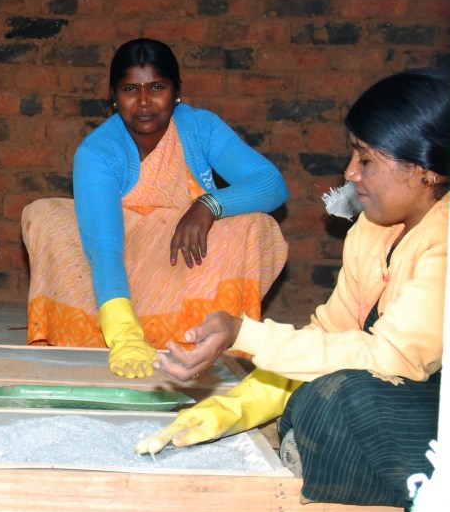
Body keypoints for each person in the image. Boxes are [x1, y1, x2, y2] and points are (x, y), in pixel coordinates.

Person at [137, 67, 450, 509]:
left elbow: (395, 358)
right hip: (394, 399)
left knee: (342, 396)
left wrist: (245, 333)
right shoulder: (372, 229)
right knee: (313, 394)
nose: (350, 172)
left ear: (425, 171)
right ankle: (331, 460)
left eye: (366, 159)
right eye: (353, 154)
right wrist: (231, 410)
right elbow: (330, 335)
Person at [21, 38, 288, 378]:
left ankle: (201, 337)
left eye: (157, 87)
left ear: (177, 92)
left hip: (179, 257)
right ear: (113, 96)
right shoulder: (99, 151)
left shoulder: (199, 128)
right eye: (130, 89)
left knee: (254, 224)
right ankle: (120, 330)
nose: (144, 101)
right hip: (115, 260)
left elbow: (271, 183)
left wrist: (208, 204)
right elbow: (105, 250)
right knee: (46, 216)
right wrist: (124, 335)